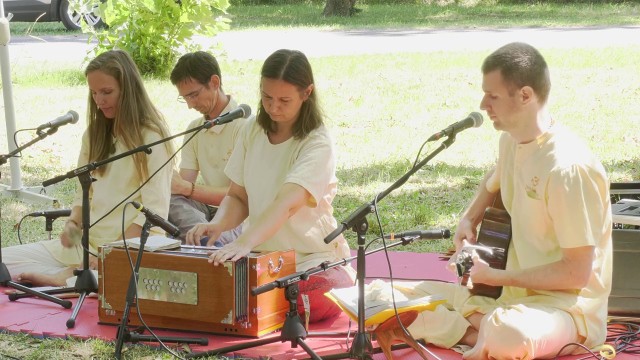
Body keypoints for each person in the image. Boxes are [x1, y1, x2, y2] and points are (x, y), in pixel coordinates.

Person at [393, 42, 613, 359]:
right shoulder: (510, 140)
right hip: (507, 297)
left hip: (564, 311)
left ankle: (472, 331)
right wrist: (468, 219)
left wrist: (494, 277)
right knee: (380, 296)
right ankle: (475, 331)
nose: (483, 104)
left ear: (525, 95)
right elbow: (492, 180)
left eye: (492, 96)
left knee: (510, 334)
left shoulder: (569, 169)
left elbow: (576, 273)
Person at [186, 49, 355, 323]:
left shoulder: (317, 142)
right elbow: (238, 197)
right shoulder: (251, 129)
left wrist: (243, 241)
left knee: (298, 299)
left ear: (307, 92)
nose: (273, 107)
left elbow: (286, 204)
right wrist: (217, 225)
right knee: (210, 290)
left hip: (311, 259)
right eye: (267, 97)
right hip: (260, 258)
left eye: (284, 100)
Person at [3, 50, 174, 287]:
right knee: (3, 263)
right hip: (86, 245)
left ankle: (66, 279)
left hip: (131, 247)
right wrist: (73, 225)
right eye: (94, 93)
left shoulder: (153, 137)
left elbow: (153, 214)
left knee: (102, 281)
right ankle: (69, 276)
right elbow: (84, 193)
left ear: (129, 89)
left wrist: (109, 255)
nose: (99, 100)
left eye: (107, 92)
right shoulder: (94, 134)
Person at [168, 51, 250, 246]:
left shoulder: (245, 127)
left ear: (214, 82)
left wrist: (186, 188)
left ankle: (206, 240)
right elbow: (181, 190)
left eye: (194, 95)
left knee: (183, 222)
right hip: (205, 211)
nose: (190, 105)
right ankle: (204, 239)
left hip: (239, 214)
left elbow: (239, 197)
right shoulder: (194, 128)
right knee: (163, 201)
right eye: (184, 98)